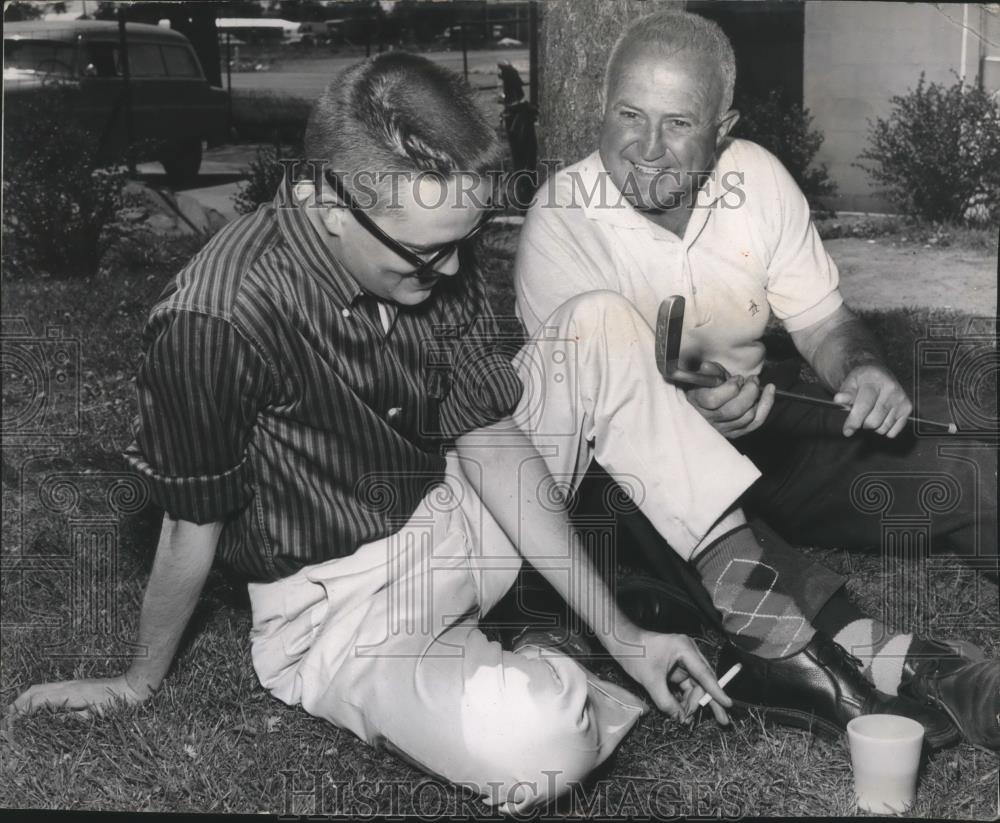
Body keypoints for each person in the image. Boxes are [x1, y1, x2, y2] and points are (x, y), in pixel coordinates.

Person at [9, 53, 744, 814]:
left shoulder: (430, 249)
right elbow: (190, 525)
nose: (457, 267)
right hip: (339, 608)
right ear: (326, 203)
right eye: (429, 252)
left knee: (596, 322)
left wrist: (626, 635)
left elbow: (489, 442)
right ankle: (548, 640)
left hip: (449, 512)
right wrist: (136, 681)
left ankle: (760, 608)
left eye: (467, 236)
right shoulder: (213, 318)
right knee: (537, 747)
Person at [513, 10, 998, 751]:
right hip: (631, 483)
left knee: (971, 456)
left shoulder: (757, 177)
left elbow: (824, 325)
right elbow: (623, 433)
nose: (646, 148)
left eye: (678, 123)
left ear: (722, 127)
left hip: (767, 429)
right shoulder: (559, 225)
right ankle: (903, 662)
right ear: (600, 109)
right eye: (628, 115)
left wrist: (860, 368)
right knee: (710, 532)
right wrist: (703, 417)